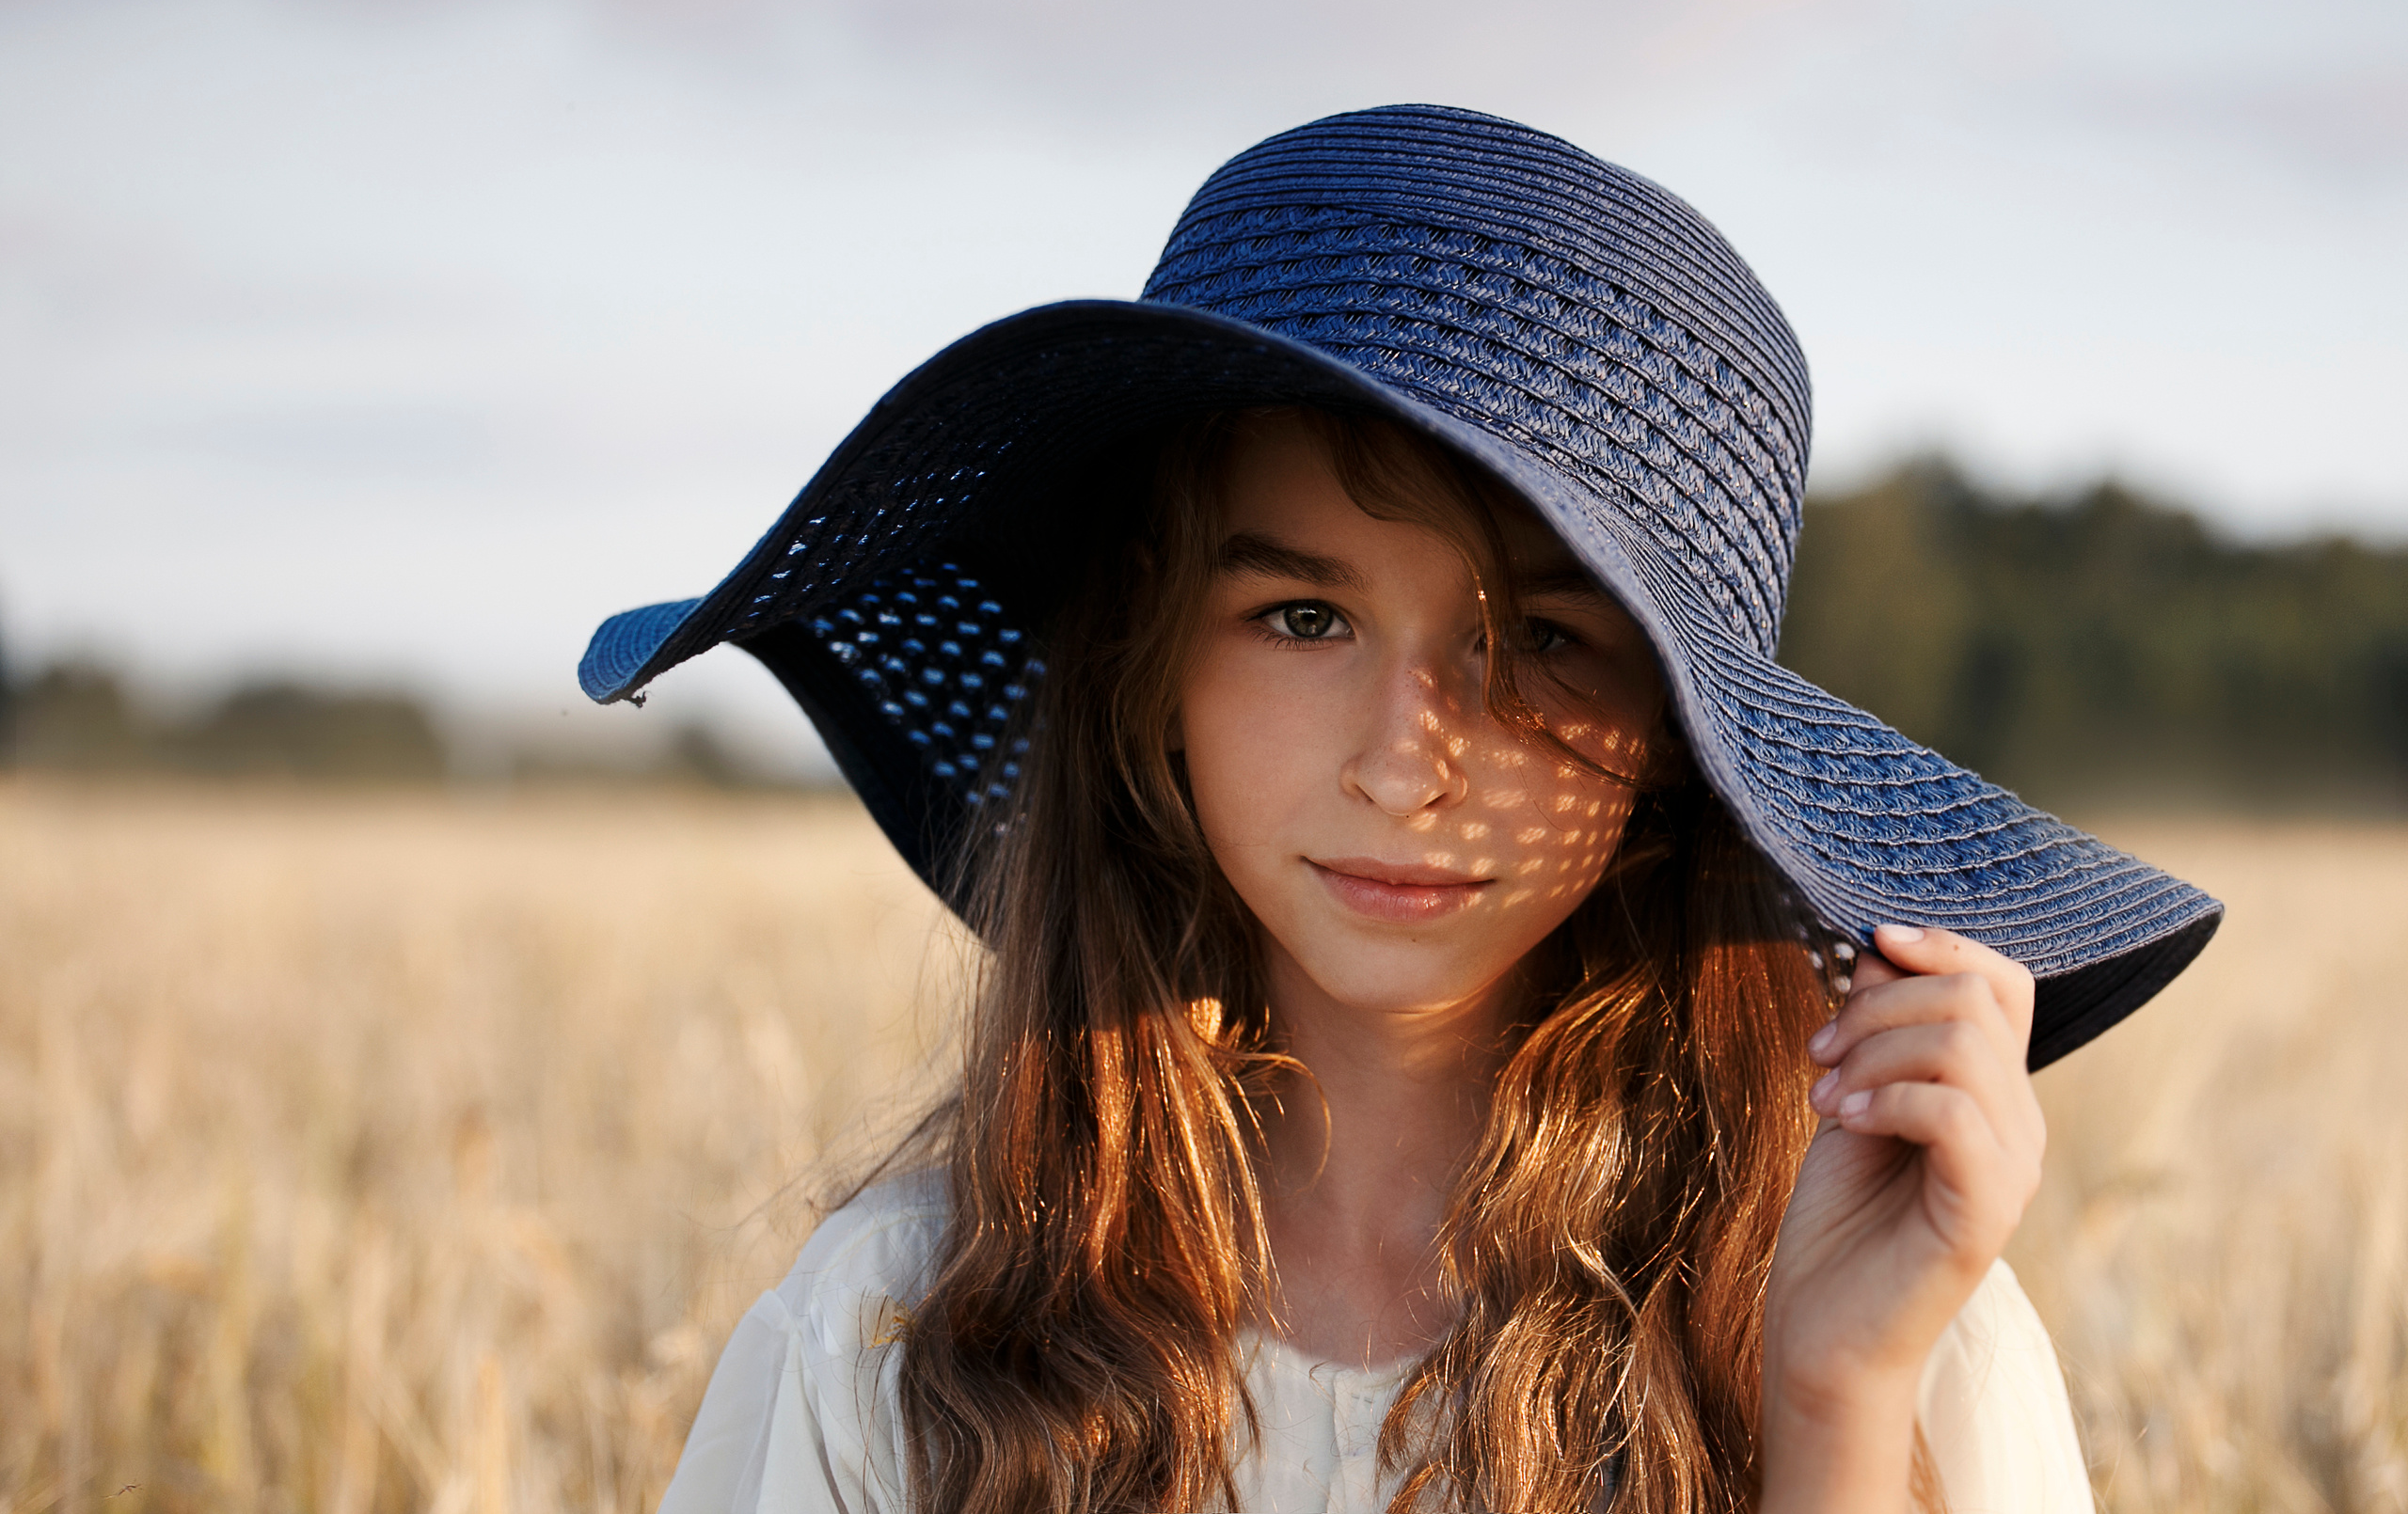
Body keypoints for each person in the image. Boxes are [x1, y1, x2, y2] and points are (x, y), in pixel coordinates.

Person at [582, 105, 2221, 1513]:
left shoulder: (1906, 1339)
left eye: (1544, 643)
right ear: (1152, 661)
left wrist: (1834, 1407)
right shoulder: (885, 1336)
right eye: (1304, 618)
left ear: (1676, 743)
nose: (1405, 760)